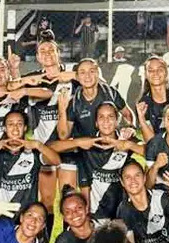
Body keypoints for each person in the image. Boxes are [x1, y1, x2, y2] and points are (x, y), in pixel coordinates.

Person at [51, 102, 143, 220]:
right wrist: (77, 142)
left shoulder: (125, 139)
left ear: (117, 121)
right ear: (96, 123)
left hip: (122, 212)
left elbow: (152, 152)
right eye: (101, 117)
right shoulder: (88, 142)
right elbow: (51, 147)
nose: (106, 121)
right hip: (96, 214)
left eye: (110, 117)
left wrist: (129, 145)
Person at [55, 58, 133, 189]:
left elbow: (128, 114)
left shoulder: (110, 93)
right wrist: (62, 110)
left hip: (110, 149)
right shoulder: (74, 101)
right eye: (83, 72)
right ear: (77, 77)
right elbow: (63, 135)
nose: (88, 76)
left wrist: (130, 127)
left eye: (92, 71)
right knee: (77, 191)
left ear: (98, 73)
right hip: (85, 153)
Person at [0, 110, 62, 207]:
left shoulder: (34, 152)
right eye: (10, 124)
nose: (15, 128)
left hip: (26, 213)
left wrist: (38, 145)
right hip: (3, 212)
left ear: (25, 128)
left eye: (19, 124)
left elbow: (57, 161)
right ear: (4, 128)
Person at [116, 161, 169, 243]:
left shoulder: (161, 197)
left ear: (144, 178)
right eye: (127, 177)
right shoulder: (123, 210)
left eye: (137, 175)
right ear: (122, 182)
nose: (133, 180)